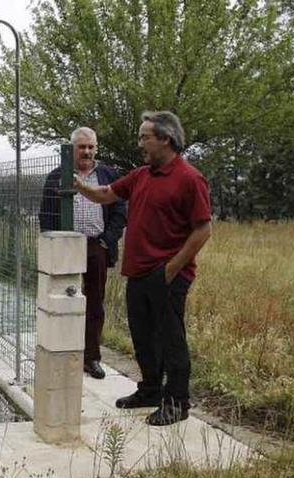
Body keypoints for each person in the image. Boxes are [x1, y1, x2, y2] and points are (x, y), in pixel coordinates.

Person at [73, 111, 211, 426]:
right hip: (137, 272)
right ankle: (150, 391)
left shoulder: (190, 178)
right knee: (143, 338)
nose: (140, 144)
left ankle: (177, 403)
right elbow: (105, 194)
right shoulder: (141, 175)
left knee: (170, 340)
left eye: (144, 137)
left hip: (167, 275)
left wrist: (172, 268)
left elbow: (203, 229)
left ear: (165, 138)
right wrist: (77, 184)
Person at [39, 127, 126, 380]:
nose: (86, 151)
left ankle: (92, 358)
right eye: (81, 147)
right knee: (64, 300)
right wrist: (52, 248)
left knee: (95, 303)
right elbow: (46, 216)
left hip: (97, 245)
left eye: (90, 147)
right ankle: (64, 354)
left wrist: (108, 241)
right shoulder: (57, 177)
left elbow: (120, 210)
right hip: (66, 246)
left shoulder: (108, 175)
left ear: (96, 148)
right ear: (72, 149)